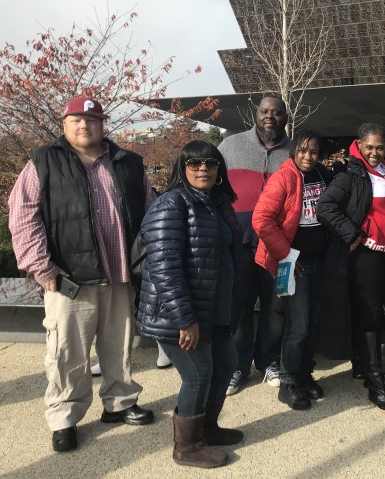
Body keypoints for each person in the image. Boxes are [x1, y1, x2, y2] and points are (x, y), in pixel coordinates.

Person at [8, 96, 155, 453]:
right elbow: (23, 217)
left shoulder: (128, 162)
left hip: (120, 272)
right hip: (67, 278)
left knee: (118, 345)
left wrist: (148, 260)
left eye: (91, 120)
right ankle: (65, 418)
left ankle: (119, 402)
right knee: (67, 353)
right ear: (64, 124)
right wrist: (42, 270)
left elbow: (151, 210)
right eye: (75, 120)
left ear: (103, 124)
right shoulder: (43, 161)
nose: (83, 126)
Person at [137, 140, 248, 468]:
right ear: (182, 168)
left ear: (219, 169)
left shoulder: (218, 203)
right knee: (198, 374)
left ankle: (207, 429)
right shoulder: (171, 205)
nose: (203, 169)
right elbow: (164, 268)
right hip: (178, 314)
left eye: (210, 164)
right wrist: (185, 319)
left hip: (215, 309)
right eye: (195, 164)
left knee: (226, 366)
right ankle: (186, 447)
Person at [318, 123, 385, 415]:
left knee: (376, 312)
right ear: (359, 144)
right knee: (370, 317)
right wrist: (353, 234)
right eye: (369, 147)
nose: (374, 152)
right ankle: (375, 386)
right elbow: (325, 207)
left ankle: (362, 368)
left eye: (380, 147)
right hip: (366, 257)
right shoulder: (350, 174)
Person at [253, 130, 333, 410]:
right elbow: (261, 219)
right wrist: (286, 254)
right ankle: (287, 381)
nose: (308, 156)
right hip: (291, 264)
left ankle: (303, 373)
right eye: (302, 150)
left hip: (318, 260)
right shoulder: (284, 177)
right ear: (293, 152)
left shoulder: (322, 175)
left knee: (313, 322)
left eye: (313, 151)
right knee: (296, 323)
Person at [218, 94, 290, 394]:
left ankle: (268, 360)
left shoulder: (293, 152)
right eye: (264, 111)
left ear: (284, 117)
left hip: (279, 247)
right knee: (240, 307)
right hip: (239, 246)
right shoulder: (229, 146)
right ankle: (238, 365)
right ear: (255, 114)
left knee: (276, 307)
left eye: (275, 112)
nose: (269, 116)